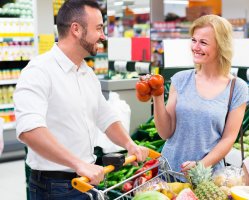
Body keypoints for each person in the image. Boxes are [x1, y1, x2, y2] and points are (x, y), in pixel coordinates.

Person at [14, 0, 149, 199]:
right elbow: (29, 130)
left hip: (86, 181)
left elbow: (106, 117)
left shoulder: (87, 73)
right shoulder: (39, 71)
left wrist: (130, 145)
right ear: (76, 29)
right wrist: (78, 164)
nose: (103, 36)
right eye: (99, 28)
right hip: (54, 187)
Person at [152, 15, 249, 174]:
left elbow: (228, 139)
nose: (195, 47)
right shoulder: (181, 80)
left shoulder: (237, 88)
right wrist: (157, 96)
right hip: (169, 172)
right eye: (193, 40)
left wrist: (201, 165)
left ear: (221, 46)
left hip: (207, 178)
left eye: (203, 42)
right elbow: (165, 132)